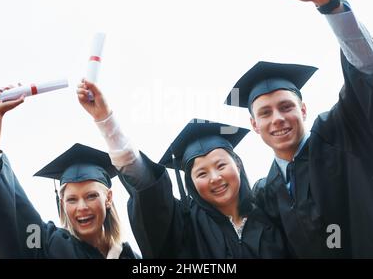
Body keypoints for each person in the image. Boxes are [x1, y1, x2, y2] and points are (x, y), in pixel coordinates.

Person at [224, 0, 373, 258]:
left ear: (303, 109)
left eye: (286, 107)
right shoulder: (267, 193)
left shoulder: (345, 134)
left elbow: (370, 74)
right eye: (265, 113)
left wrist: (328, 3)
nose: (278, 118)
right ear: (254, 125)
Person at [77, 80, 289, 258]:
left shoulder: (268, 208)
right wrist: (106, 121)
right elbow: (147, 186)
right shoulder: (185, 224)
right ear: (191, 182)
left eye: (221, 165)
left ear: (238, 164)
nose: (215, 178)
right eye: (201, 173)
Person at [0, 88, 138, 259]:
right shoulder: (47, 245)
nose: (82, 207)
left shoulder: (130, 257)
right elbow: (10, 212)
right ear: (62, 202)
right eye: (71, 199)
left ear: (108, 198)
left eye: (91, 196)